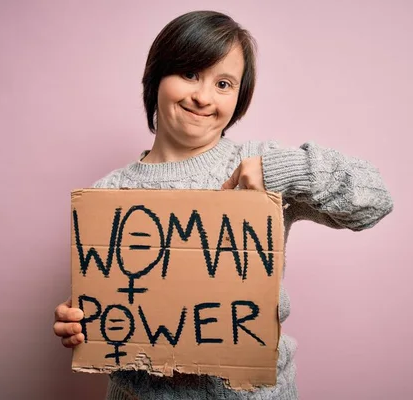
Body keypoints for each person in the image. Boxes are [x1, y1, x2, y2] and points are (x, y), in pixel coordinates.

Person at [53, 10, 393, 400]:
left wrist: (284, 170)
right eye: (189, 74)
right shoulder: (108, 194)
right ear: (157, 77)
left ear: (240, 97)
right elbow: (111, 307)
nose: (203, 96)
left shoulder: (258, 167)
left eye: (224, 83)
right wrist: (76, 321)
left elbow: (374, 201)